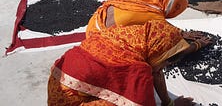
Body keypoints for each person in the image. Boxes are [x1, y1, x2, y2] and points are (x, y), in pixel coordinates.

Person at [47, 19, 212, 105]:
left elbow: (157, 69)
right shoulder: (136, 69)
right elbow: (141, 102)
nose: (164, 68)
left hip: (59, 81)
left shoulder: (131, 37)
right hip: (67, 101)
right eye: (165, 63)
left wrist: (168, 102)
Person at [86, 0, 189, 38]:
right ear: (176, 8)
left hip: (94, 20)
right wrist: (184, 35)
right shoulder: (155, 17)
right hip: (97, 37)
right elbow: (170, 31)